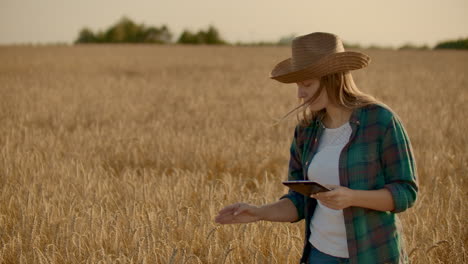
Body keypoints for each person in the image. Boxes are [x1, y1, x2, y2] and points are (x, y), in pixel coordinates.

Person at [214, 32, 418, 264]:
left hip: (373, 254)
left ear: (332, 78)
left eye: (307, 84)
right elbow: (298, 202)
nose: (300, 94)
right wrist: (258, 212)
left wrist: (352, 197)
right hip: (320, 254)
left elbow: (406, 193)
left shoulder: (380, 120)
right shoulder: (306, 131)